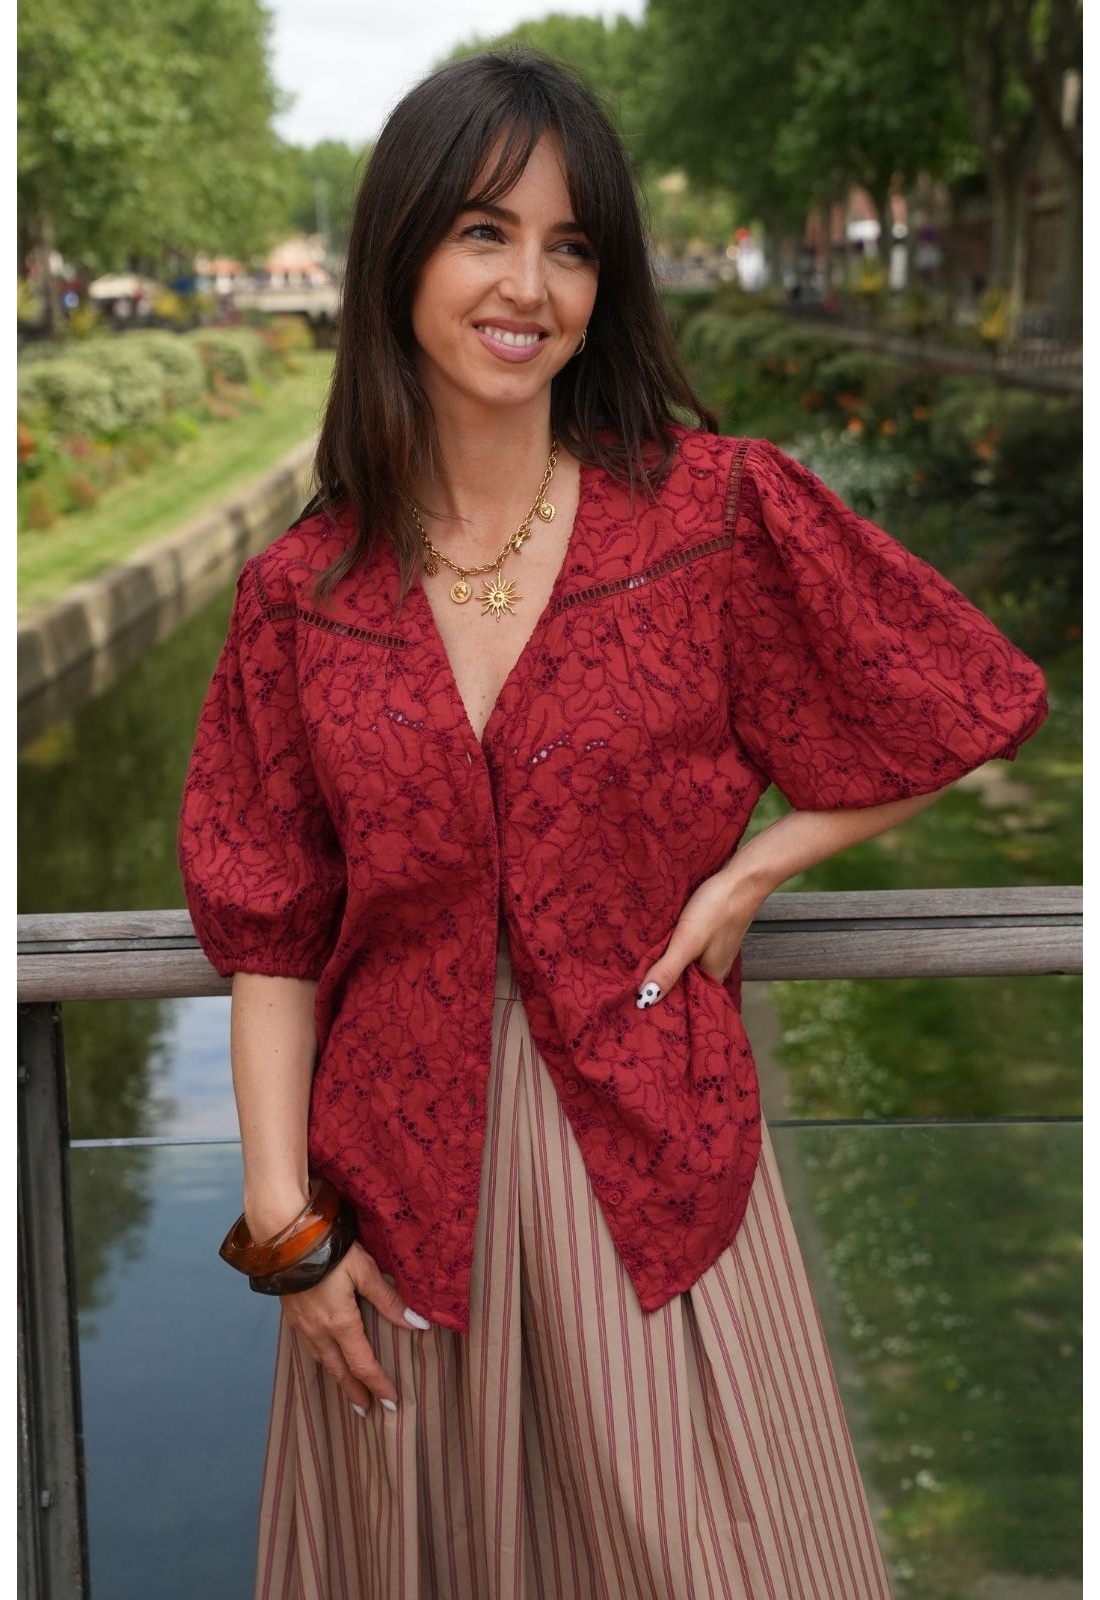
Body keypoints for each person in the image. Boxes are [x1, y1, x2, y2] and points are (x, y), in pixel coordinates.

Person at [177, 48, 1049, 1600]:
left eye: (572, 245)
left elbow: (963, 692)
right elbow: (272, 933)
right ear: (399, 252)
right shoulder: (301, 595)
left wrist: (761, 866)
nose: (531, 286)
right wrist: (285, 1231)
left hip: (654, 1183)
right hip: (394, 1226)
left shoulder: (713, 518)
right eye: (485, 232)